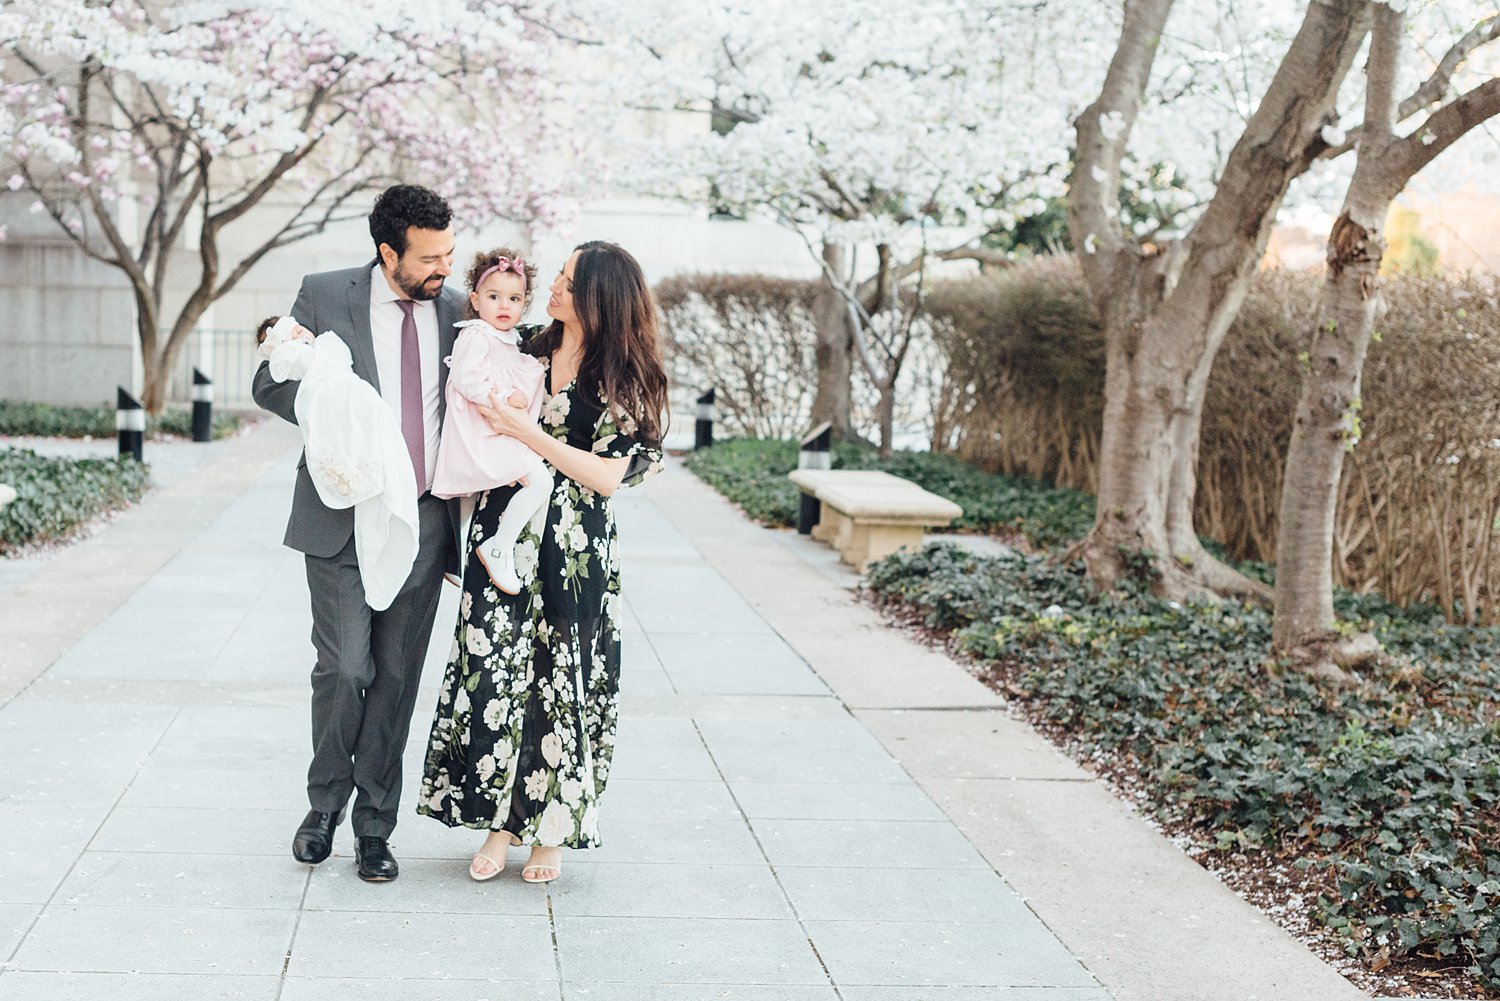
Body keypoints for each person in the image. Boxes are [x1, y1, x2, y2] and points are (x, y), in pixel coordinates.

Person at [417, 240, 667, 884]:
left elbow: (612, 477)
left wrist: (528, 433)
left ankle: (550, 829)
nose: (551, 287)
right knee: (494, 670)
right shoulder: (524, 342)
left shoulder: (626, 377)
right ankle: (499, 824)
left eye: (566, 280)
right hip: (504, 530)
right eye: (556, 275)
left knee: (563, 677)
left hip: (576, 546)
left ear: (599, 300)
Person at [252, 184, 464, 883]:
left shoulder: (461, 312)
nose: (443, 268)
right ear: (387, 251)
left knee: (396, 677)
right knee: (346, 667)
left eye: (449, 254)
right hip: (340, 515)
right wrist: (333, 416)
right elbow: (270, 380)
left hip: (424, 521)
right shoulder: (323, 292)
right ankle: (323, 807)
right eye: (429, 257)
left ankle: (375, 828)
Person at [254, 315, 419, 612]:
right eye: (290, 333)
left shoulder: (327, 342)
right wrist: (318, 398)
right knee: (344, 658)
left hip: (429, 509)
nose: (299, 334)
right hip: (333, 524)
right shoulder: (317, 303)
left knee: (399, 656)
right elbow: (269, 381)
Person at [431, 249, 553, 594]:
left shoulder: (510, 340)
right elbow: (467, 379)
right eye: (494, 296)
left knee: (473, 496)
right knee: (540, 483)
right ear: (475, 298)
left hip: (493, 429)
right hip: (483, 429)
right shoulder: (476, 334)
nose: (504, 306)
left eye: (514, 298)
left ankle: (460, 558)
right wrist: (503, 401)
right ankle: (498, 547)